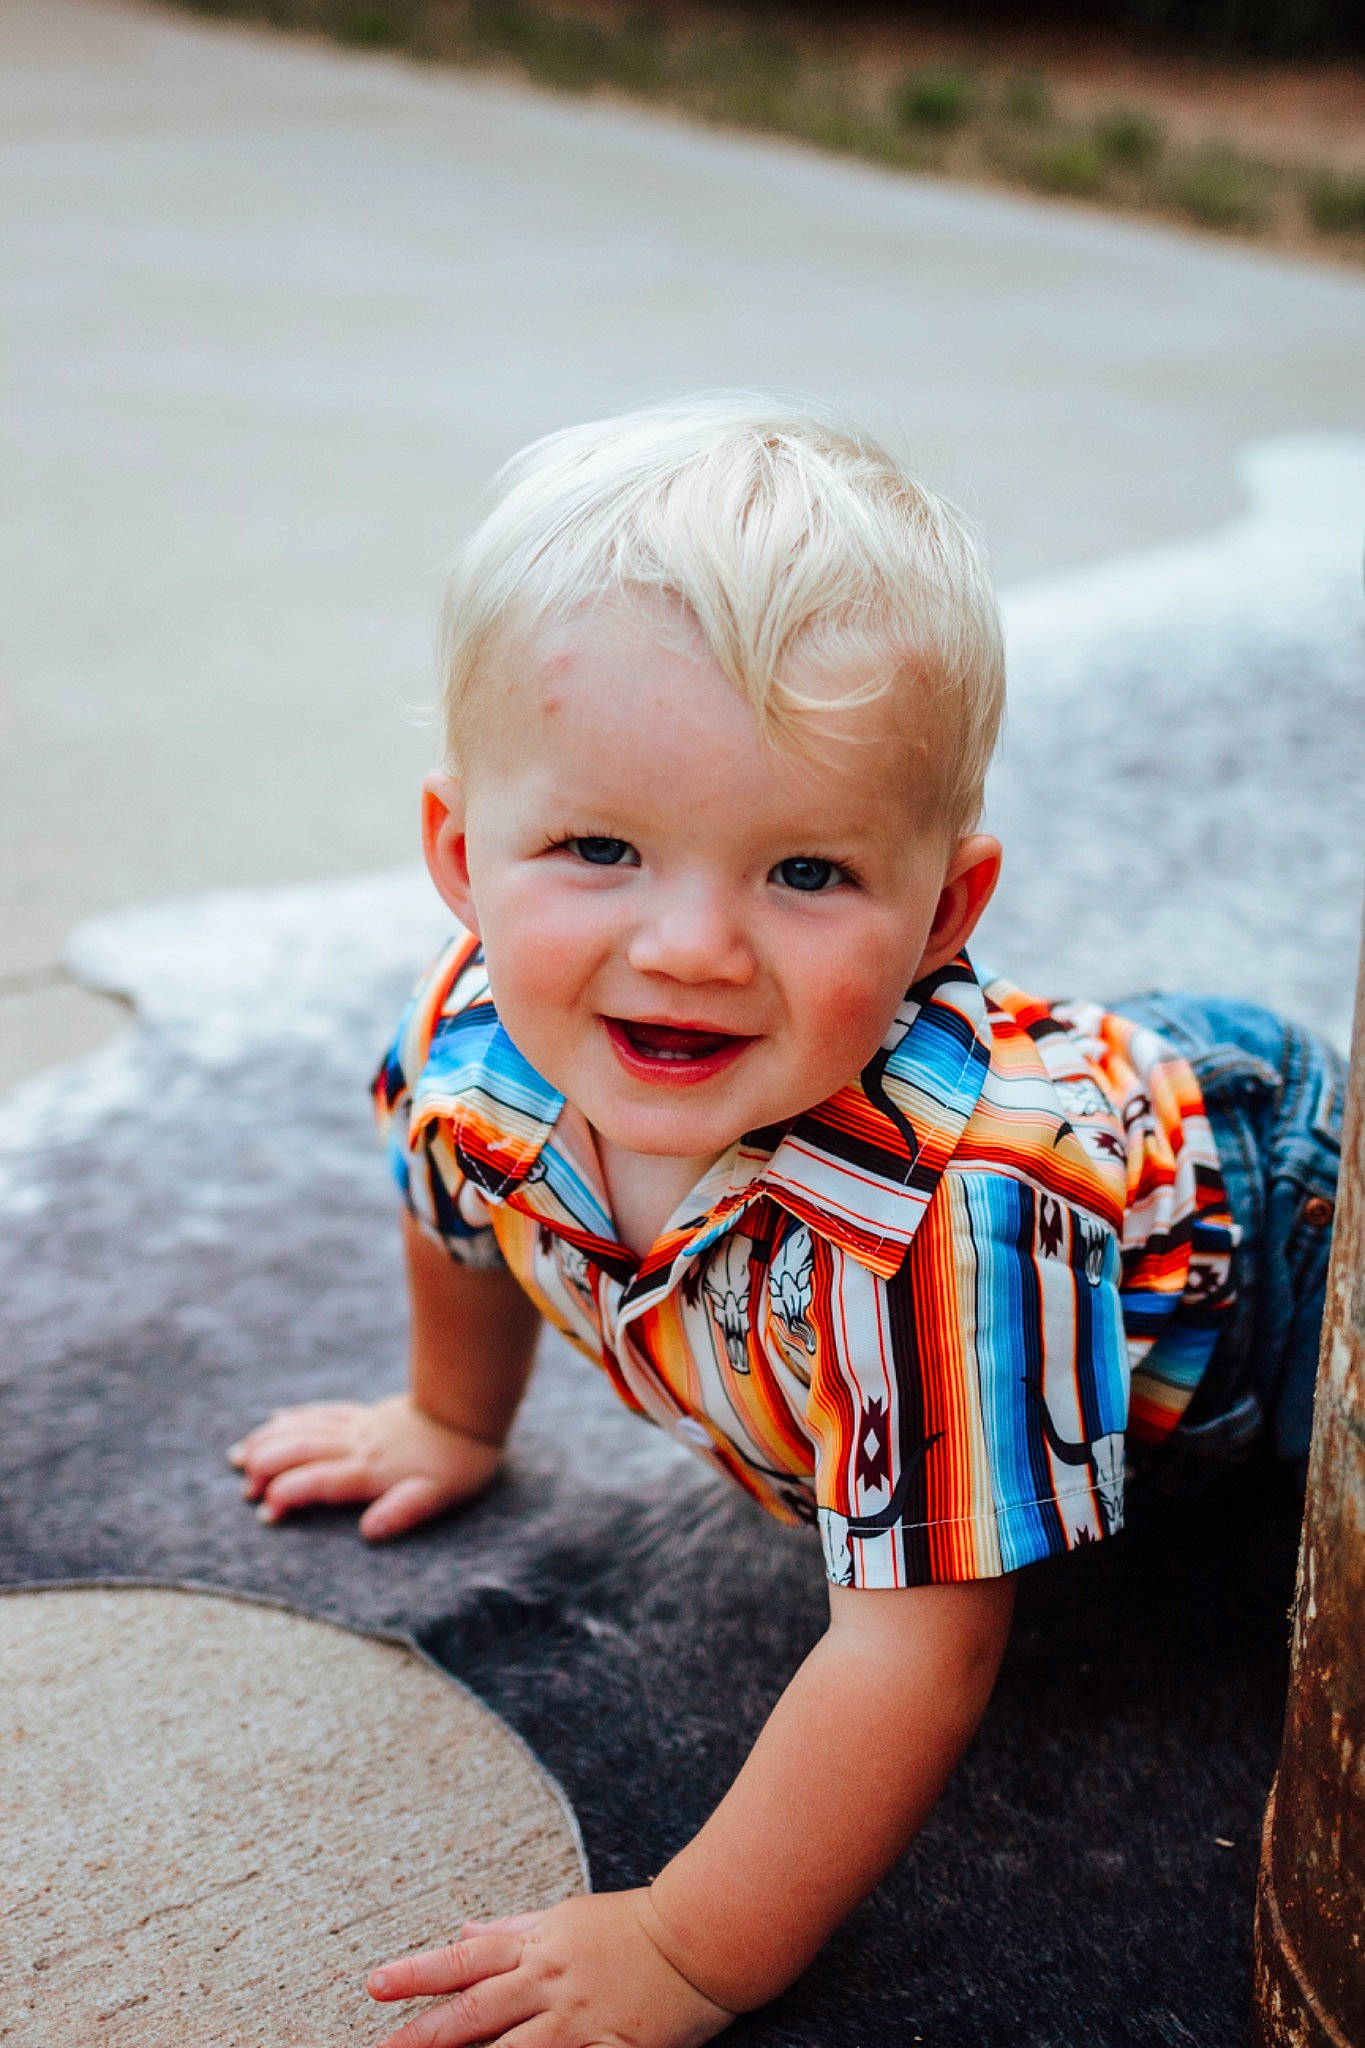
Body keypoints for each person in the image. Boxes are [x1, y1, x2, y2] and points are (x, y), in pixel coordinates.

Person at [228, 397, 1343, 2048]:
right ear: (461, 856)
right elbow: (451, 1217)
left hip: (1265, 1245)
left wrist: (685, 1947)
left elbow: (917, 1652)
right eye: (598, 846)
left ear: (943, 910)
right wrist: (445, 1417)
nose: (687, 946)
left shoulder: (950, 1220)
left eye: (804, 873)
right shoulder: (476, 1040)